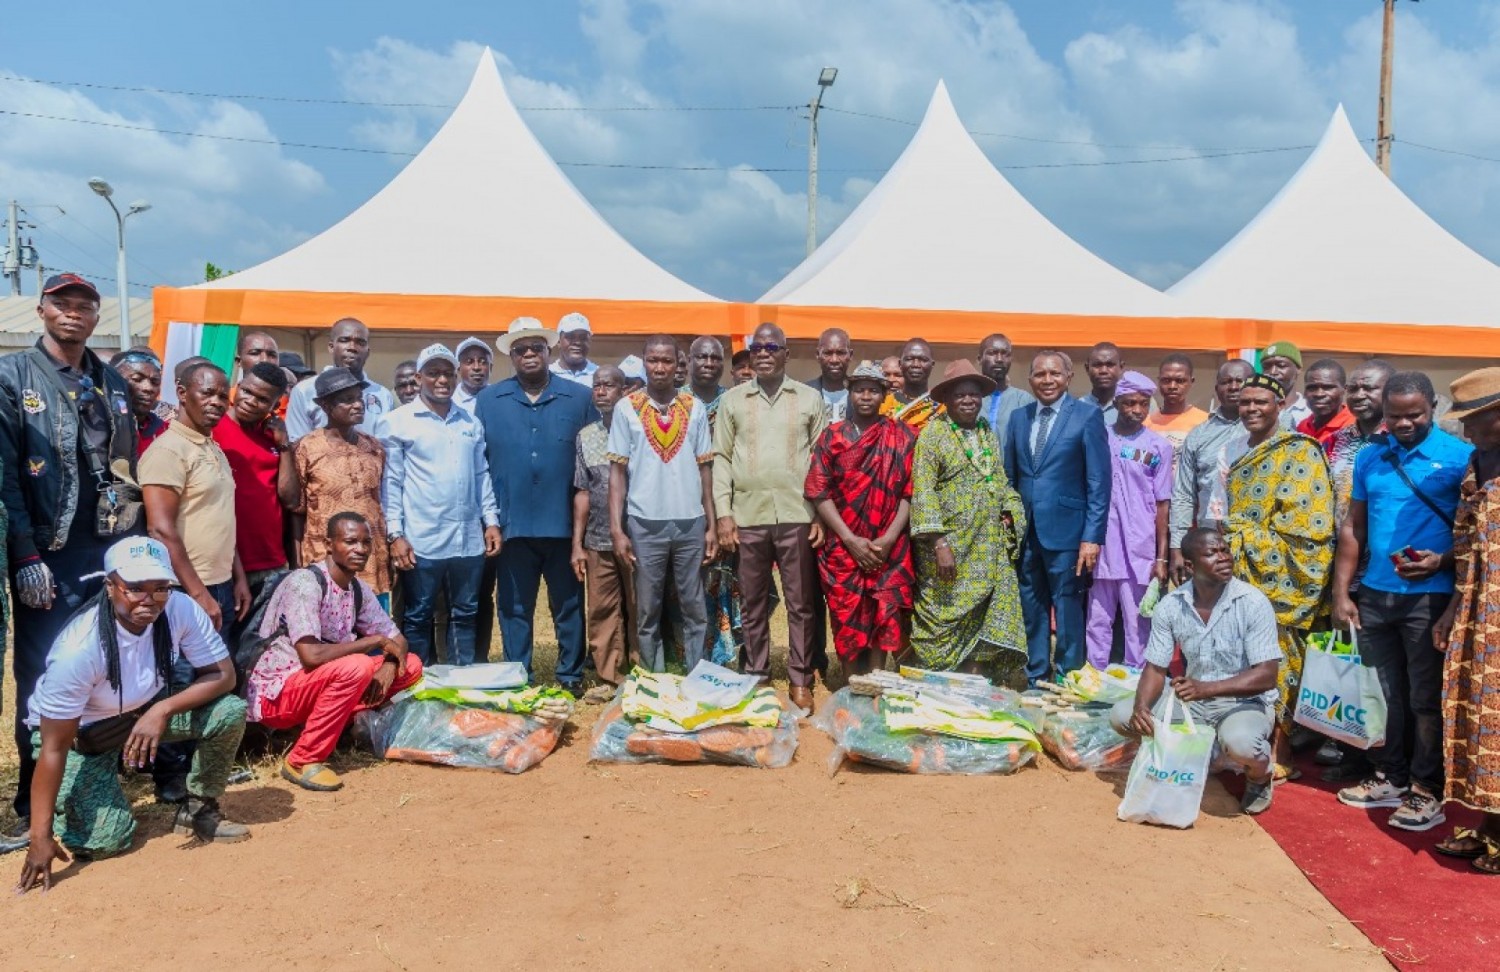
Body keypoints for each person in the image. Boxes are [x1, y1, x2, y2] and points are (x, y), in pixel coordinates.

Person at [15, 536, 249, 892]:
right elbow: (53, 747)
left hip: (141, 716)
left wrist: (162, 708)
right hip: (82, 738)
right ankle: (72, 808)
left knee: (229, 711)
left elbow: (224, 675)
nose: (149, 599)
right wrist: (39, 837)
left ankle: (198, 808)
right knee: (106, 842)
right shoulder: (79, 650)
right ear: (110, 586)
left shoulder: (179, 609)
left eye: (160, 588)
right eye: (135, 588)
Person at [1, 273, 141, 833]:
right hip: (47, 550)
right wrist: (25, 555)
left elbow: (125, 468)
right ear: (41, 310)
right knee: (43, 674)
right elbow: (6, 478)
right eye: (63, 303)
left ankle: (88, 786)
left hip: (105, 547)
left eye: (85, 305)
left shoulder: (111, 382)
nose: (74, 313)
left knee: (104, 665)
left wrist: (130, 546)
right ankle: (32, 801)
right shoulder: (12, 376)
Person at [1331, 372, 1470, 831]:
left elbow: (1475, 534)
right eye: (1395, 415)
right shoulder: (1372, 456)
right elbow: (1354, 527)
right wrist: (1343, 593)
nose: (1405, 423)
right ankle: (1391, 776)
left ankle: (1426, 790)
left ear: (1434, 407)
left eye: (1415, 414)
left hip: (1429, 599)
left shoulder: (1460, 457)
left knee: (1425, 701)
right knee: (1386, 695)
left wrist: (1442, 560)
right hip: (1375, 595)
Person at [248, 513, 422, 792]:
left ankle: (342, 729)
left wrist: (389, 665)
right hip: (277, 692)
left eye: (366, 542)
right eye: (350, 541)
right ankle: (303, 759)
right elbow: (310, 656)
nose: (360, 550)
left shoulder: (357, 589)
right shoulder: (306, 583)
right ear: (329, 544)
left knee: (410, 665)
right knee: (357, 666)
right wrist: (370, 643)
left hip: (320, 681)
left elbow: (398, 642)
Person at [1112, 527, 1280, 815]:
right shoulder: (1171, 605)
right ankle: (1194, 756)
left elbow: (1266, 675)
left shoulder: (1252, 602)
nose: (1224, 558)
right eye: (1212, 553)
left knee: (1243, 745)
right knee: (1123, 716)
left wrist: (1207, 688)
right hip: (1193, 701)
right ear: (1189, 566)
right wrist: (1142, 707)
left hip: (1243, 703)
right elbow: (1155, 667)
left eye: (1224, 550)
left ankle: (1260, 776)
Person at [476, 318, 598, 696]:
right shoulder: (489, 400)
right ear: (511, 356)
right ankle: (518, 674)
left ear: (549, 352)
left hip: (564, 525)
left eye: (536, 348)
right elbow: (479, 463)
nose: (529, 354)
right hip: (512, 527)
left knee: (568, 605)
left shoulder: (579, 398)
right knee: (513, 608)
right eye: (520, 350)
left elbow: (593, 461)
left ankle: (570, 676)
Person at [1224, 373, 1334, 779]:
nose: (1252, 409)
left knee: (1280, 658)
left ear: (1282, 404)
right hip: (1237, 571)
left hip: (1281, 574)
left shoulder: (1300, 452)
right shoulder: (1238, 448)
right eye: (1245, 401)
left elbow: (1309, 528)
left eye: (1261, 402)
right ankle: (1241, 740)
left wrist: (1242, 536)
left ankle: (1280, 747)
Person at [714, 323, 828, 711]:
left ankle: (800, 678)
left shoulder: (811, 399)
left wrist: (819, 515)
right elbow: (722, 459)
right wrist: (724, 514)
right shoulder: (733, 401)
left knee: (801, 603)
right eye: (757, 347)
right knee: (753, 601)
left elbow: (820, 462)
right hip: (748, 515)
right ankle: (759, 676)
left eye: (771, 347)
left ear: (785, 353)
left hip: (797, 512)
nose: (763, 353)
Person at [379, 344, 503, 666]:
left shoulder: (469, 422)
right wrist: (396, 534)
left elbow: (481, 474)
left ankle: (460, 678)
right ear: (419, 377)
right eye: (434, 373)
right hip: (422, 539)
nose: (442, 379)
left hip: (467, 539)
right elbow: (391, 483)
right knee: (418, 614)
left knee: (465, 613)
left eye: (448, 373)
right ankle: (418, 684)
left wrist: (490, 521)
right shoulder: (397, 422)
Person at [910, 361, 1027, 685]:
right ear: (946, 399)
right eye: (960, 395)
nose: (967, 401)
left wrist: (1012, 510)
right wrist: (940, 543)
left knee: (981, 612)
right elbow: (923, 490)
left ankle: (973, 678)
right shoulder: (933, 434)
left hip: (985, 543)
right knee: (940, 613)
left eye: (973, 395)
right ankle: (935, 679)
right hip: (948, 545)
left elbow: (999, 480)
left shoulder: (986, 433)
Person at [608, 336, 717, 673]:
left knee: (694, 606)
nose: (659, 367)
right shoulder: (626, 408)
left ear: (677, 364)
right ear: (643, 362)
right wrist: (617, 529)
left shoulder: (694, 407)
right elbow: (617, 474)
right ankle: (653, 680)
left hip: (691, 522)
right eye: (653, 360)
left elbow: (705, 469)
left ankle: (696, 675)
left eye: (666, 361)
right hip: (644, 522)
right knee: (647, 609)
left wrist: (711, 525)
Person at [1004, 350, 1110, 684]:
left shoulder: (1087, 416)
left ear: (1068, 377)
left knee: (1066, 609)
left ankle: (1067, 678)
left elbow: (1098, 482)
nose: (1047, 380)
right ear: (1030, 379)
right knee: (1031, 607)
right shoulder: (1020, 418)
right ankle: (1036, 676)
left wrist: (1092, 537)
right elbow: (1010, 475)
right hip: (1026, 532)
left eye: (1054, 374)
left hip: (1068, 532)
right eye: (1039, 374)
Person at [1430, 367, 1500, 874]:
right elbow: (1464, 543)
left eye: (1475, 421)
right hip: (1480, 611)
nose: (1467, 431)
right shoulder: (1479, 463)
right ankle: (1487, 823)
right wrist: (1454, 612)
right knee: (1475, 716)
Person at [805, 362, 915, 677]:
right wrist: (851, 541)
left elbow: (911, 491)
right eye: (859, 389)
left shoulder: (902, 436)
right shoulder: (832, 436)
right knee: (845, 612)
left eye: (873, 390)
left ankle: (877, 680)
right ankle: (852, 680)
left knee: (884, 610)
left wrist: (890, 538)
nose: (866, 396)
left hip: (887, 546)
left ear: (884, 395)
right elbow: (818, 489)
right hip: (842, 545)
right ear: (850, 394)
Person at [140, 362, 249, 634]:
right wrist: (200, 595)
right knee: (188, 675)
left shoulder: (213, 448)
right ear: (181, 392)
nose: (217, 403)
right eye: (207, 393)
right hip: (185, 589)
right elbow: (160, 530)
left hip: (221, 585)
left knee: (220, 673)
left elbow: (222, 517)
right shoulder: (168, 451)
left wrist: (238, 578)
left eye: (223, 396)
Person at [1088, 371, 1172, 671]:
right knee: (1098, 619)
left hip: (1140, 548)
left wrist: (1162, 557)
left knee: (1139, 624)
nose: (1136, 410)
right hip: (1104, 545)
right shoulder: (1100, 438)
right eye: (1129, 403)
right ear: (1117, 402)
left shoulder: (1159, 447)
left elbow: (1163, 504)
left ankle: (1136, 687)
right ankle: (1094, 681)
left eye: (1143, 403)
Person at [292, 368, 391, 602]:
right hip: (324, 558)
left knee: (373, 629)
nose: (358, 405)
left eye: (359, 398)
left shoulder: (374, 447)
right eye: (347, 400)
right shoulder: (306, 448)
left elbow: (379, 503)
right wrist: (296, 561)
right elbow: (297, 511)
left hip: (370, 560)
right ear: (325, 406)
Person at [572, 366, 636, 701]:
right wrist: (576, 544)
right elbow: (582, 491)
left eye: (609, 385)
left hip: (638, 537)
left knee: (640, 607)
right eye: (596, 385)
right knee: (601, 610)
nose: (601, 391)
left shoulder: (641, 430)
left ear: (624, 391)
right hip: (597, 539)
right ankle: (610, 678)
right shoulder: (586, 436)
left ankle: (643, 675)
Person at [213, 363, 297, 601]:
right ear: (237, 387)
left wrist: (284, 446)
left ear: (275, 405)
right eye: (246, 391)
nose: (250, 401)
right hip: (226, 563)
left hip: (272, 561)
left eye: (262, 399)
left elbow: (290, 499)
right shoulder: (212, 428)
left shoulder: (275, 437)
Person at [1168, 359, 1254, 584]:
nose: (1234, 387)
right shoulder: (1199, 435)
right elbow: (1184, 495)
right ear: (1217, 389)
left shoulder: (1270, 431)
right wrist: (1177, 546)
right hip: (1211, 545)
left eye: (1240, 381)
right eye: (1226, 382)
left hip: (1258, 543)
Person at [688, 337, 744, 667]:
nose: (709, 362)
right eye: (702, 356)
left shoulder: (734, 401)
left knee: (727, 582)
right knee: (686, 585)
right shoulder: (676, 401)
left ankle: (724, 656)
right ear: (689, 360)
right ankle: (689, 656)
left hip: (727, 504)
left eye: (715, 357)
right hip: (683, 508)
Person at [284, 318, 395, 442]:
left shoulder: (383, 395)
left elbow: (389, 445)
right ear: (331, 347)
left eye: (360, 342)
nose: (352, 347)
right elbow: (297, 443)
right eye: (345, 340)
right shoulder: (304, 390)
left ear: (367, 352)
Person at [978, 333, 1033, 457]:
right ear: (979, 359)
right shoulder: (969, 400)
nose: (999, 359)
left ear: (1011, 359)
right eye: (992, 353)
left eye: (1005, 354)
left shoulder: (1024, 400)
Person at [1144, 353, 1207, 458]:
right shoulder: (1146, 423)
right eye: (1166, 380)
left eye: (1180, 381)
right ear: (1159, 381)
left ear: (1191, 382)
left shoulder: (1205, 422)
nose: (1172, 386)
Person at [109, 347, 169, 455]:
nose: (148, 388)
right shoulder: (99, 427)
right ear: (114, 380)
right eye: (137, 379)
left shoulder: (167, 432)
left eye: (155, 381)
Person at [881, 338, 942, 432]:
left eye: (923, 360)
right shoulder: (885, 404)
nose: (916, 364)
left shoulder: (942, 408)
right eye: (909, 359)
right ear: (900, 364)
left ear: (932, 364)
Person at [1298, 358, 1354, 452]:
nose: (1319, 394)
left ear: (1344, 390)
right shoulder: (1302, 427)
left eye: (1328, 387)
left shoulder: (1355, 426)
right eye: (1312, 388)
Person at [1260, 341, 1311, 429]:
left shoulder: (1309, 411)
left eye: (1281, 365)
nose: (1273, 372)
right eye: (1266, 367)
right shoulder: (1255, 409)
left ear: (1298, 369)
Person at [807, 327, 853, 422]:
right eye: (828, 353)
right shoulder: (805, 393)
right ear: (817, 355)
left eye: (841, 353)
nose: (834, 360)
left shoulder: (861, 395)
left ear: (850, 355)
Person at [551, 312, 598, 387]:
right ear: (558, 341)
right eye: (570, 337)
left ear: (589, 341)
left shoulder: (599, 376)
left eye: (583, 337)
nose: (577, 342)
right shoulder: (547, 376)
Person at [1083, 342, 1124, 425]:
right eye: (1097, 365)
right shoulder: (1077, 408)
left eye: (1110, 365)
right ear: (1087, 368)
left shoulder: (1135, 406)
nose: (1104, 371)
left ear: (1121, 367)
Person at [453, 336, 492, 411]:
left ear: (490, 368)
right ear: (458, 368)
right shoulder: (450, 402)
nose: (476, 367)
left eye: (482, 362)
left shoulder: (500, 399)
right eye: (469, 361)